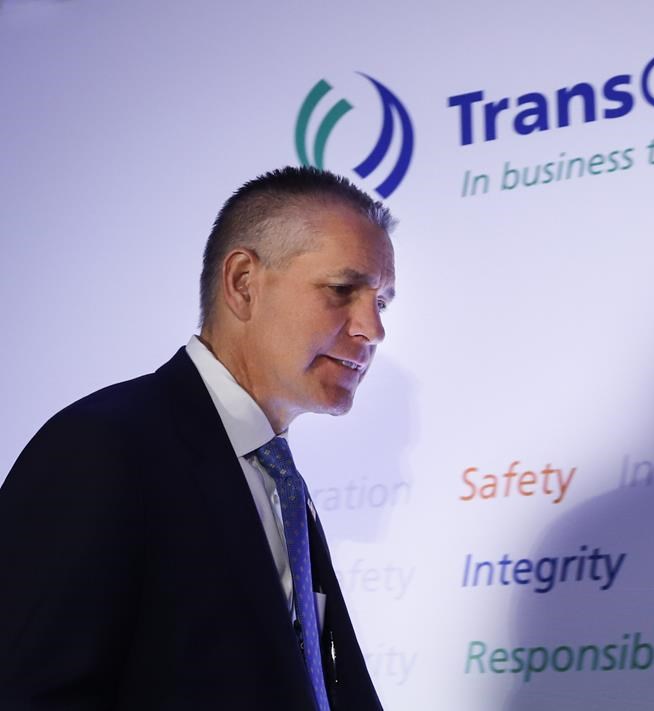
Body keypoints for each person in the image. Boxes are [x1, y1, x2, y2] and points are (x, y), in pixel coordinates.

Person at [0, 166, 395, 710]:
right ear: (242, 284)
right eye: (342, 289)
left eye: (381, 302)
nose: (372, 329)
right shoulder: (101, 448)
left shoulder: (280, 482)